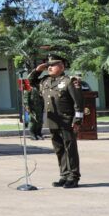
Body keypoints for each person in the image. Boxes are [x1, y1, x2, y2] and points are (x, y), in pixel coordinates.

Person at [28, 55, 84, 189]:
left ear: (62, 66)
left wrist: (77, 120)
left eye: (52, 65)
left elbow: (79, 103)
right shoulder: (45, 81)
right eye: (48, 65)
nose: (49, 67)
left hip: (67, 121)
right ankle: (64, 175)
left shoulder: (69, 81)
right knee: (59, 149)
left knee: (70, 149)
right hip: (52, 121)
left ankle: (73, 177)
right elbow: (31, 81)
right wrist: (37, 70)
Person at [22, 75, 45, 140]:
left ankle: (38, 133)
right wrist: (27, 107)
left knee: (40, 121)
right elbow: (26, 98)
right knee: (32, 121)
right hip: (32, 107)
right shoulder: (28, 87)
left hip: (39, 107)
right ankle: (32, 134)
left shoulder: (39, 87)